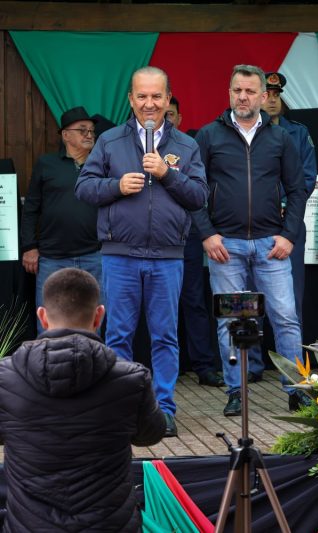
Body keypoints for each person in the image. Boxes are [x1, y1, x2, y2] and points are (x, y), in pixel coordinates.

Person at [75, 66, 208, 437]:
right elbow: (84, 189)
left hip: (167, 256)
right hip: (120, 255)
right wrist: (116, 185)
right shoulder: (110, 142)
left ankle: (163, 410)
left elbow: (199, 197)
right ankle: (120, 409)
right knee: (118, 335)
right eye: (142, 96)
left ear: (168, 99)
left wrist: (168, 174)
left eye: (156, 96)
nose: (149, 104)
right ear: (131, 99)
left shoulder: (186, 146)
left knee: (165, 336)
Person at [0, 268, 164, 531]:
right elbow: (152, 434)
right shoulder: (132, 379)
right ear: (99, 315)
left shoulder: (5, 378)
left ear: (42, 316)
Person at [192, 65, 306, 415]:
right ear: (229, 94)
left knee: (285, 317)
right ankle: (235, 391)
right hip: (226, 247)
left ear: (263, 96)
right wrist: (207, 234)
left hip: (272, 246)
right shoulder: (209, 136)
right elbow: (194, 191)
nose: (243, 96)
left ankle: (297, 389)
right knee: (233, 321)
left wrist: (288, 236)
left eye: (250, 91)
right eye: (237, 90)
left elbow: (298, 189)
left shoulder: (279, 138)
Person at [20, 106, 102, 334]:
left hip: (94, 256)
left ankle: (92, 368)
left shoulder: (101, 166)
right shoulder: (46, 164)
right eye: (82, 130)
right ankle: (47, 368)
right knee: (48, 324)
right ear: (65, 135)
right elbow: (31, 209)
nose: (89, 134)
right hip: (52, 259)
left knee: (95, 322)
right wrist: (29, 247)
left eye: (92, 131)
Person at [166, 96, 224, 387]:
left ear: (179, 118)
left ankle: (203, 365)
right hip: (154, 240)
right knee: (158, 305)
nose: (166, 119)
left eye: (171, 114)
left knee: (194, 301)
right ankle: (163, 367)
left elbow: (201, 192)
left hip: (187, 237)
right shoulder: (138, 148)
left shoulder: (190, 148)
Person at [262, 71, 318, 328]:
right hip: (254, 225)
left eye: (276, 95)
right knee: (251, 300)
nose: (272, 100)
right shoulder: (245, 132)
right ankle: (252, 367)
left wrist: (284, 206)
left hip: (289, 222)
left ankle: (292, 366)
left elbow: (307, 178)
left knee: (292, 297)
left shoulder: (298, 133)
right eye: (267, 95)